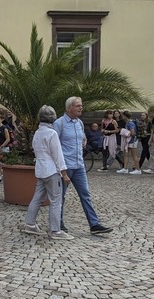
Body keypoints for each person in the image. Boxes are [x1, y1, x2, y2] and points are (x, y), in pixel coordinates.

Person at [53, 96, 113, 235]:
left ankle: (94, 224)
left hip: (79, 165)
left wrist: (83, 142)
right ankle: (59, 223)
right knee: (60, 196)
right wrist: (60, 168)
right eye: (77, 106)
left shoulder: (79, 123)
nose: (81, 107)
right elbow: (54, 146)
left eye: (81, 105)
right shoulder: (59, 123)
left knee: (85, 194)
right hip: (65, 166)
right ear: (69, 108)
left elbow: (82, 138)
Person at [21, 105, 72, 240]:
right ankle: (55, 230)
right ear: (53, 118)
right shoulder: (52, 133)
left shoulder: (37, 133)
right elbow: (58, 155)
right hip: (51, 171)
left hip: (40, 170)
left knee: (37, 198)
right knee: (56, 200)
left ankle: (30, 223)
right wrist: (64, 174)